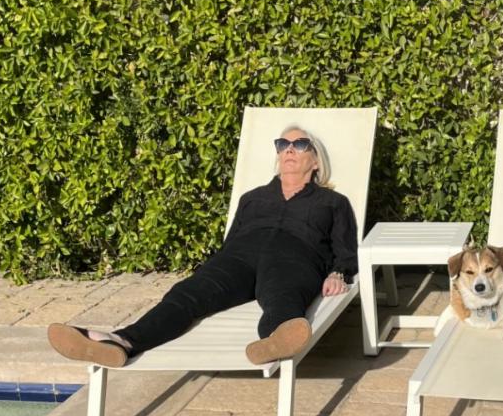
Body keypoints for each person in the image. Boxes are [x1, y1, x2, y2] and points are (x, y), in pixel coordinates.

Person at [47, 125, 356, 369]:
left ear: (315, 161)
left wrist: (338, 273)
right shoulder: (253, 198)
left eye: (299, 145)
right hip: (241, 255)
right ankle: (119, 341)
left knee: (283, 295)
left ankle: (276, 339)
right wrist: (219, 272)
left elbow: (345, 250)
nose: (289, 150)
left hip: (296, 254)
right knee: (189, 293)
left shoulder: (332, 202)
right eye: (282, 145)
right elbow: (231, 243)